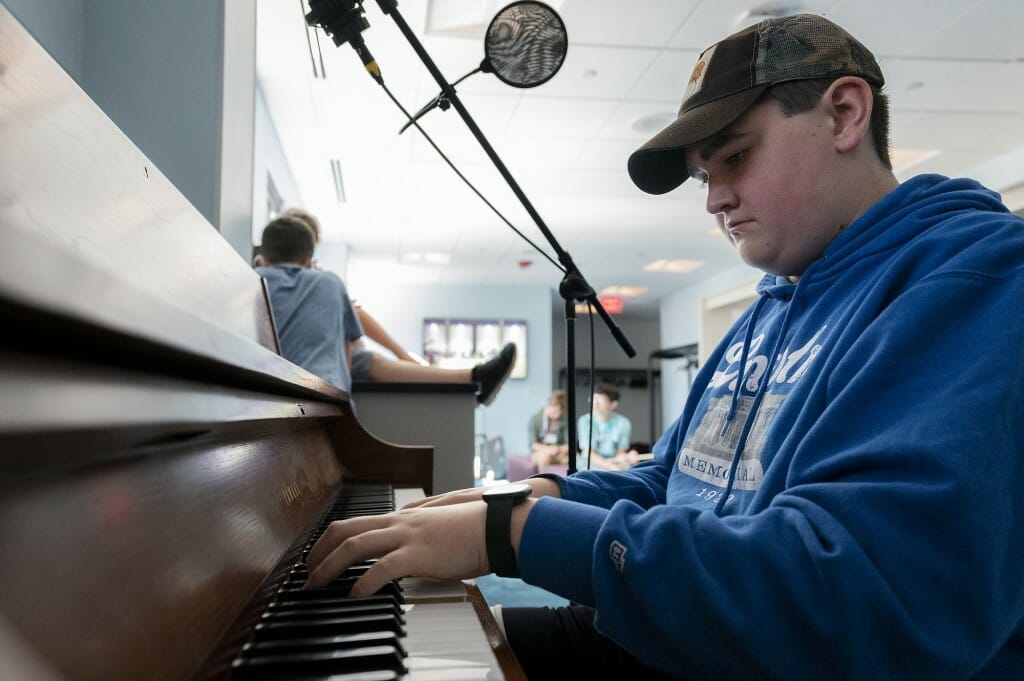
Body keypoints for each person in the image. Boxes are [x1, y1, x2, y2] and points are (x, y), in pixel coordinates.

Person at [301, 13, 1024, 680]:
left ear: (843, 113)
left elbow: (862, 599)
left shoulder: (975, 281)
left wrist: (517, 532)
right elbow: (670, 480)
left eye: (735, 157)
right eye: (706, 176)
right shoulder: (765, 311)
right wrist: (529, 495)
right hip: (698, 630)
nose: (713, 199)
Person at [256, 215, 516, 404]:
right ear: (310, 260)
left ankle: (474, 376)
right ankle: (473, 376)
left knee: (368, 361)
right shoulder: (328, 283)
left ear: (264, 257)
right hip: (323, 389)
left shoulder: (254, 279)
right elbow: (352, 342)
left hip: (268, 382)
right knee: (367, 360)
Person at [575, 382, 635, 471]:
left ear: (613, 404)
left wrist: (625, 457)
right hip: (590, 463)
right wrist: (612, 467)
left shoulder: (623, 422)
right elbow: (589, 453)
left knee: (629, 467)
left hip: (613, 461)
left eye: (599, 400)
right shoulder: (584, 421)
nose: (594, 403)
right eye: (593, 399)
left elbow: (620, 451)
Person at [528, 389, 569, 469]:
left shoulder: (564, 420)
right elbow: (533, 444)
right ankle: (542, 480)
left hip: (559, 451)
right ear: (548, 406)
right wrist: (548, 449)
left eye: (559, 412)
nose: (557, 415)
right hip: (541, 451)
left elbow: (568, 444)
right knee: (545, 457)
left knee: (578, 458)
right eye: (555, 411)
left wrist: (558, 449)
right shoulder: (536, 419)